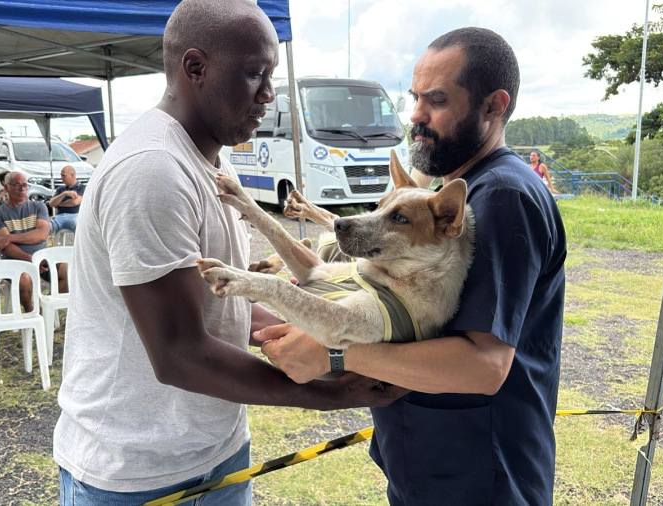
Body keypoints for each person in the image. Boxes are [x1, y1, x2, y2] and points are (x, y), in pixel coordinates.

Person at [52, 1, 404, 505]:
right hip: (136, 473)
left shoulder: (210, 161)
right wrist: (331, 393)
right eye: (254, 74)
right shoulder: (153, 170)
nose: (267, 95)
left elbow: (220, 302)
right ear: (195, 68)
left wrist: (324, 343)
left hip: (213, 452)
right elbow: (178, 354)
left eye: (271, 76)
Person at [258, 28, 567, 505]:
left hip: (477, 477)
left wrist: (335, 352)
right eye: (415, 98)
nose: (417, 116)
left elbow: (485, 366)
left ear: (493, 105)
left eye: (437, 100)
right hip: (435, 463)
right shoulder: (456, 190)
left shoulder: (501, 196)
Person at [0, 171, 67, 311]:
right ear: (6, 188)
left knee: (68, 271)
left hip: (42, 258)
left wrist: (9, 237)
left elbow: (42, 235)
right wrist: (31, 261)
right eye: (17, 185)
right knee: (24, 279)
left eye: (25, 185)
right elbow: (6, 248)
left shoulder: (39, 207)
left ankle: (45, 310)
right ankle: (31, 312)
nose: (22, 189)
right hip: (15, 260)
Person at [47, 165, 83, 234]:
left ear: (72, 175)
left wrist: (60, 204)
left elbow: (76, 202)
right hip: (59, 217)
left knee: (80, 227)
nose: (61, 178)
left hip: (75, 216)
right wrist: (64, 194)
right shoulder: (60, 190)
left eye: (63, 176)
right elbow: (51, 203)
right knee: (46, 227)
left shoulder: (82, 187)